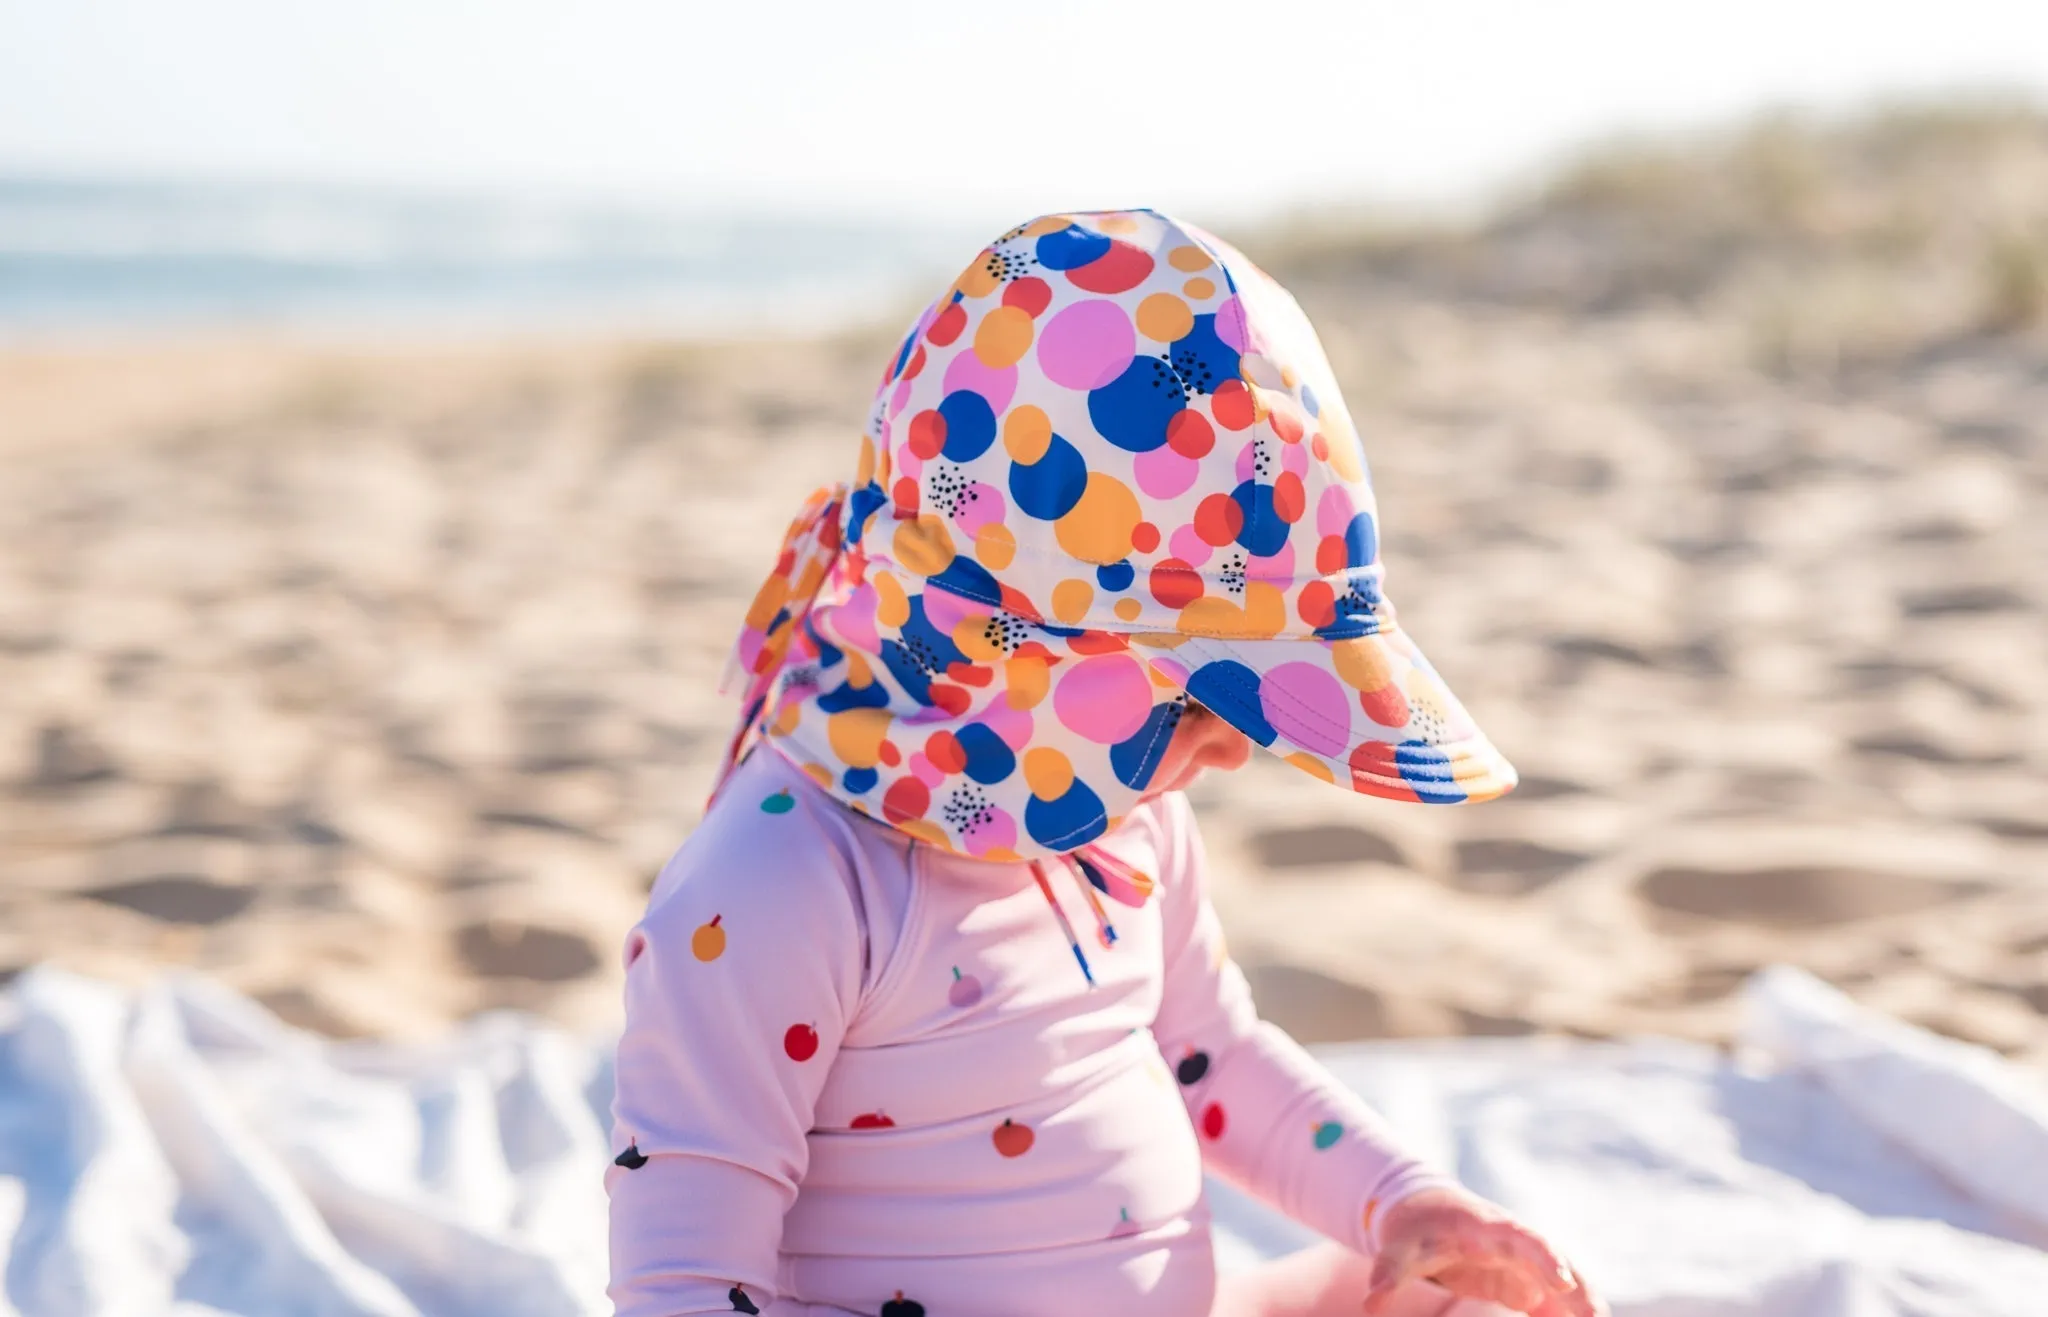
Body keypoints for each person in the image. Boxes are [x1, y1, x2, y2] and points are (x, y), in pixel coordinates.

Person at [607, 210, 1605, 1317]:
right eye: (1195, 697)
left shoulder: (1124, 821)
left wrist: (1400, 1202)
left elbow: (1213, 1058)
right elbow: (687, 1283)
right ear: (1018, 663)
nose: (1236, 746)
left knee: (1466, 1301)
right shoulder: (781, 884)